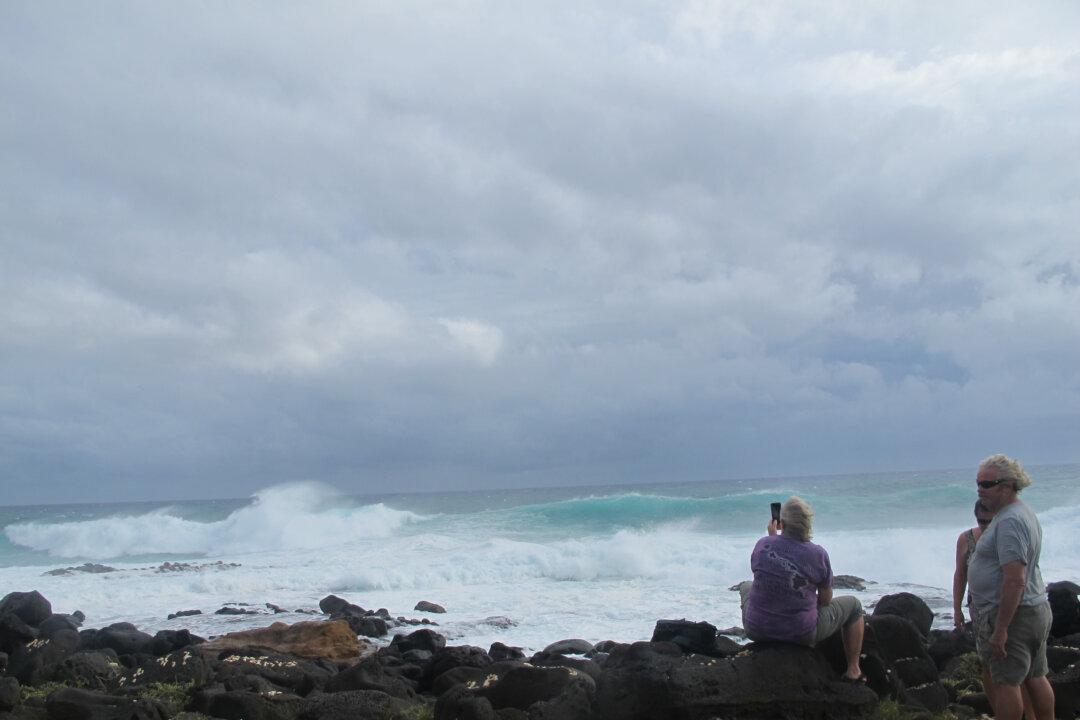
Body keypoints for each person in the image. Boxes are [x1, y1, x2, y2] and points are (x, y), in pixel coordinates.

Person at [739, 496, 865, 681]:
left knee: (746, 586)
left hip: (756, 630)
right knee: (854, 606)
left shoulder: (763, 544)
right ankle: (854, 670)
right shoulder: (817, 554)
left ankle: (765, 622)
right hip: (800, 634)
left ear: (782, 523)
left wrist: (773, 538)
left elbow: (766, 569)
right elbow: (825, 600)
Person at [967, 454, 1055, 720]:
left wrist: (1002, 628)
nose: (980, 489)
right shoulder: (1020, 513)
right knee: (1035, 675)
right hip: (1032, 608)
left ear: (1006, 486)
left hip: (1014, 615)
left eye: (986, 483)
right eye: (978, 483)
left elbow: (1014, 578)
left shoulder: (1010, 521)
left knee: (1006, 682)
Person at [953, 500, 995, 628]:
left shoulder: (1004, 538)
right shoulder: (966, 539)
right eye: (982, 521)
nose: (987, 526)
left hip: (1001, 603)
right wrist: (957, 609)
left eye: (991, 521)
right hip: (977, 605)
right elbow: (960, 575)